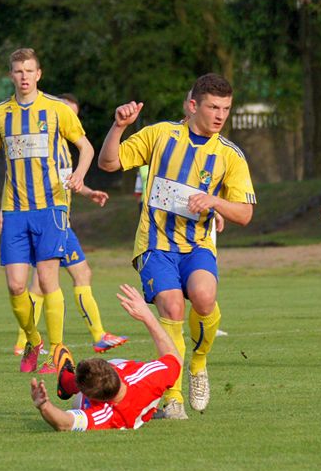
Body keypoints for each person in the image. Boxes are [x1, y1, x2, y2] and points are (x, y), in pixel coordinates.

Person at [98, 73, 256, 419]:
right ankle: (173, 396)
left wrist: (214, 201)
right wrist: (118, 127)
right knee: (171, 307)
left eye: (226, 109)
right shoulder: (160, 135)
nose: (220, 115)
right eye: (213, 107)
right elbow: (108, 163)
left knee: (204, 296)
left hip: (197, 245)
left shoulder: (229, 155)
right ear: (192, 105)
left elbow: (245, 214)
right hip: (155, 244)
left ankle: (198, 363)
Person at [0, 48, 94, 373]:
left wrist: (80, 174)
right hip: (14, 210)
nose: (24, 76)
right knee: (15, 285)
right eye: (18, 71)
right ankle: (33, 340)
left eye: (29, 71)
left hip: (50, 207)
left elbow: (85, 147)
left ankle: (57, 351)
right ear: (11, 75)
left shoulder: (56, 109)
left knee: (49, 280)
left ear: (38, 74)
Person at [1, 93, 127, 363]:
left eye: (73, 114)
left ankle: (89, 336)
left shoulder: (63, 151)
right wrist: (4, 210)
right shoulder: (48, 148)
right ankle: (32, 341)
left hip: (59, 223)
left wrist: (89, 192)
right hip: (50, 222)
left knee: (67, 277)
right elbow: (17, 181)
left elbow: (67, 182)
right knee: (48, 281)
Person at [30, 284, 181, 431]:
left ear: (92, 398)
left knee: (78, 401)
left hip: (117, 408)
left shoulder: (105, 415)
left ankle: (67, 381)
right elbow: (175, 359)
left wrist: (44, 406)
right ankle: (71, 381)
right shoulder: (146, 377)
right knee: (119, 363)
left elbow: (65, 423)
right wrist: (147, 316)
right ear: (114, 371)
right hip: (140, 402)